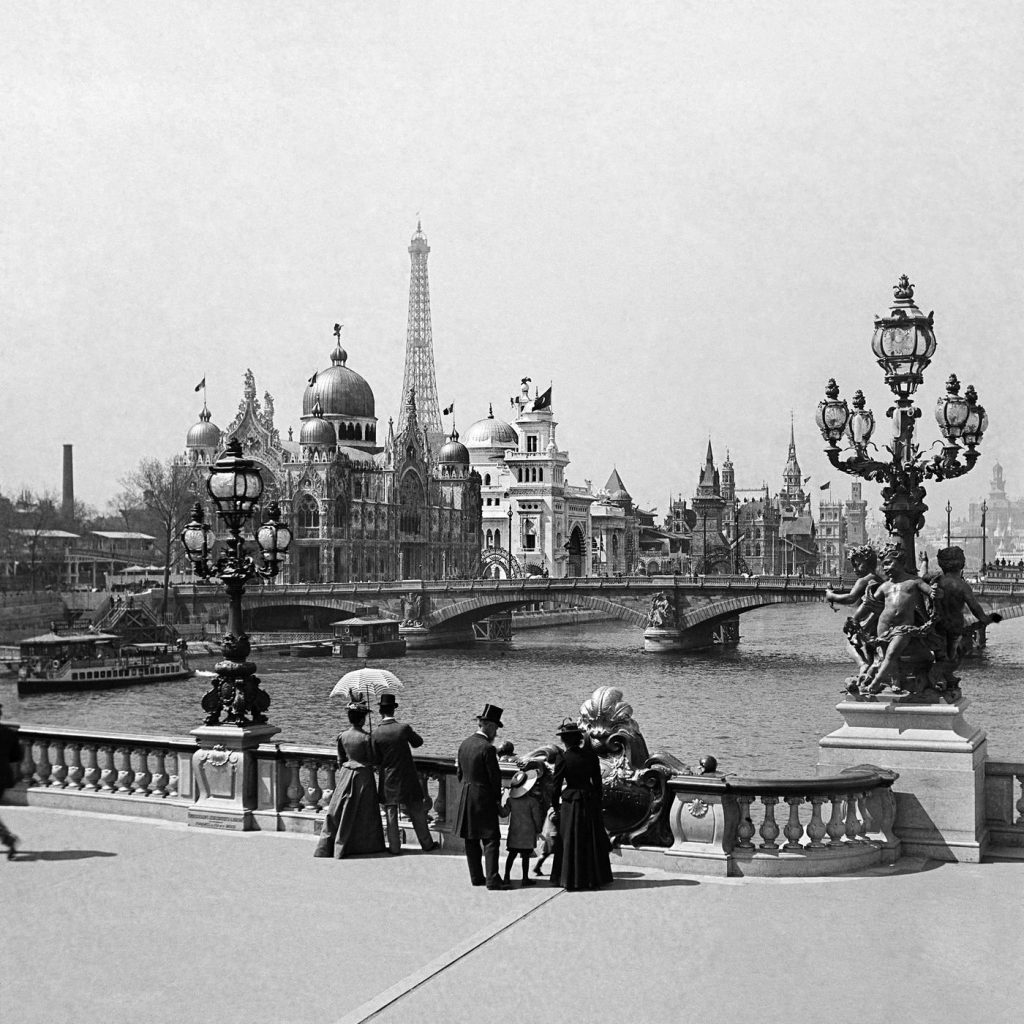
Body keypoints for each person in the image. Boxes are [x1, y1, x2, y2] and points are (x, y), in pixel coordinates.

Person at [314, 701, 386, 858]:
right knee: (365, 811)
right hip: (364, 776)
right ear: (362, 719)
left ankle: (329, 845)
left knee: (339, 809)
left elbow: (340, 759)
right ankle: (365, 845)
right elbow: (374, 759)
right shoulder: (367, 737)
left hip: (346, 774)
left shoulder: (342, 736)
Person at [549, 719, 612, 892]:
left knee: (569, 839)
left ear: (564, 740)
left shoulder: (563, 758)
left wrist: (554, 805)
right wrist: (597, 801)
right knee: (590, 839)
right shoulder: (591, 756)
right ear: (579, 739)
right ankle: (593, 877)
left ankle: (570, 878)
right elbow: (598, 783)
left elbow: (556, 786)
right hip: (589, 799)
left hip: (571, 802)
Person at [374, 693, 435, 854]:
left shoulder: (376, 733)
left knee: (391, 813)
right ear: (394, 710)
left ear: (380, 711)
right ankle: (427, 844)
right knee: (417, 810)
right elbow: (418, 742)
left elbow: (375, 758)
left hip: (388, 778)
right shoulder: (403, 728)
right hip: (407, 776)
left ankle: (394, 847)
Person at [455, 703, 505, 890]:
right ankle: (493, 879)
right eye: (496, 729)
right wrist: (497, 800)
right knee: (491, 839)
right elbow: (494, 778)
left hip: (466, 796)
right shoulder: (487, 748)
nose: (496, 734)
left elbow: (459, 773)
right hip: (483, 798)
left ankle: (476, 877)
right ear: (489, 726)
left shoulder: (464, 744)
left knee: (471, 838)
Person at [501, 769, 545, 887]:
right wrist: (538, 830)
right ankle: (525, 878)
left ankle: (506, 877)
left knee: (511, 856)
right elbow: (537, 818)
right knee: (526, 857)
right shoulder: (533, 802)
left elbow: (504, 813)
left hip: (514, 833)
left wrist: (498, 804)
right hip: (527, 834)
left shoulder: (511, 800)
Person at [0, 704, 23, 859]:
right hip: (2, 777)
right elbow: (16, 758)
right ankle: (8, 839)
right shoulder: (9, 734)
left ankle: (8, 839)